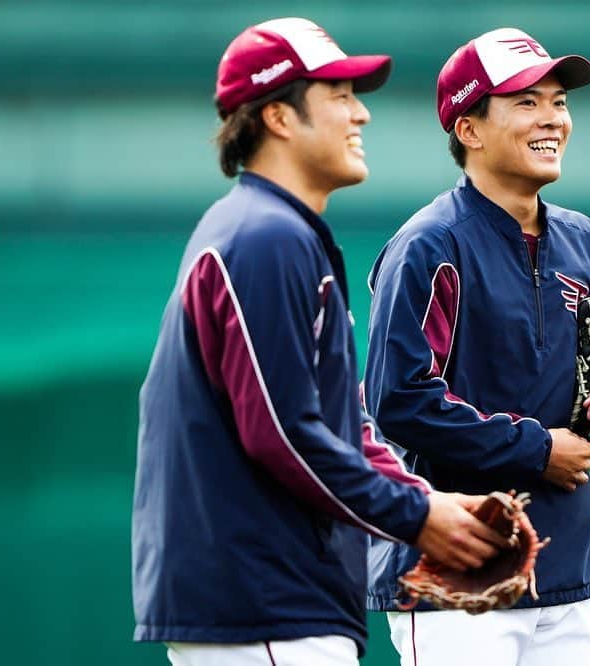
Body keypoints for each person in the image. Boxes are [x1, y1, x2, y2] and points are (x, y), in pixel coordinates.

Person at [131, 17, 506, 666]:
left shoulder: (279, 234)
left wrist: (430, 503)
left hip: (278, 599)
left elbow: (342, 427)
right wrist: (416, 520)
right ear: (278, 117)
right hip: (263, 599)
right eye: (338, 95)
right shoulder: (262, 238)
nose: (360, 114)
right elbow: (280, 434)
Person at [364, 27, 590, 665]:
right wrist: (535, 449)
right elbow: (397, 401)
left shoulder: (584, 240)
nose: (553, 118)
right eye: (526, 102)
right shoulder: (430, 245)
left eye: (559, 101)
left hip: (567, 568)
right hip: (455, 577)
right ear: (469, 129)